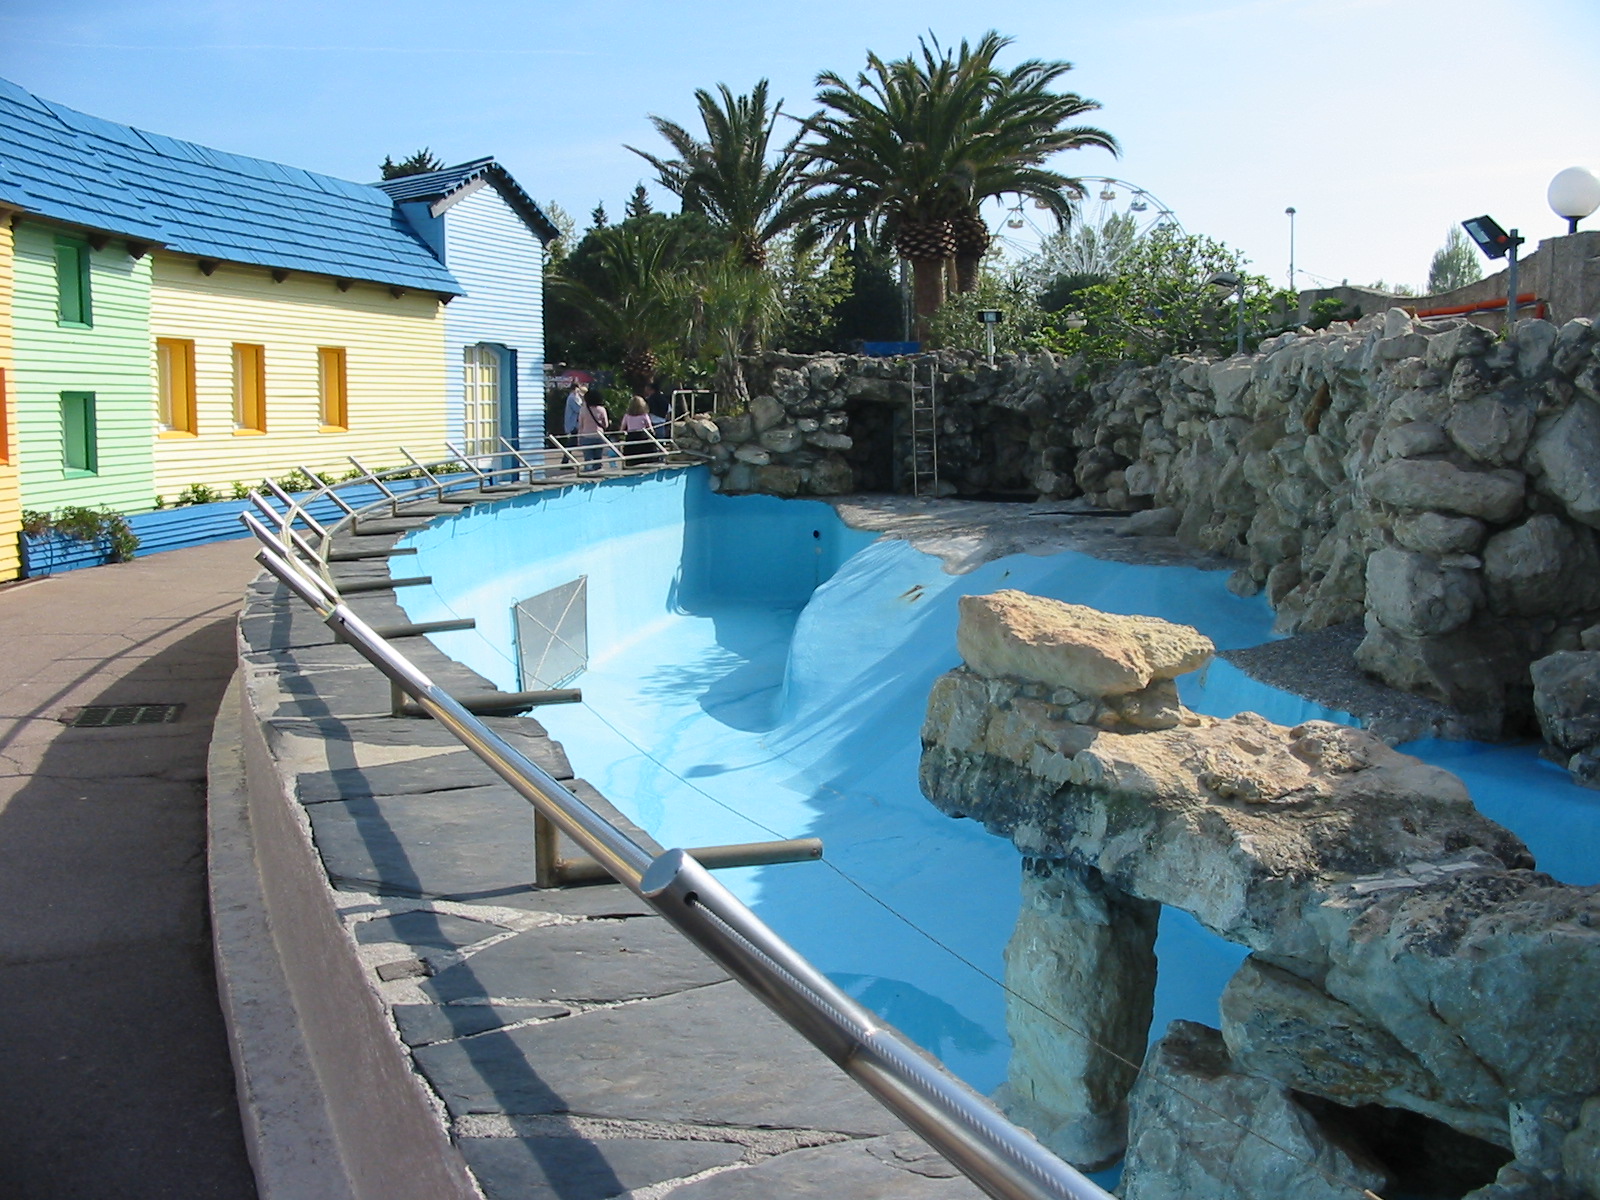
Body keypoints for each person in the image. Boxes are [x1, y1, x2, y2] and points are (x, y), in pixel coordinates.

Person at [576, 389, 610, 471]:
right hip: (599, 435)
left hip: (586, 436)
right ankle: (598, 473)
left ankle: (588, 473)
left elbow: (580, 425)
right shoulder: (601, 409)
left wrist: (578, 438)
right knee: (598, 458)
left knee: (588, 459)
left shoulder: (583, 410)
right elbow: (606, 424)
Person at [620, 395, 657, 465]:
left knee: (632, 458)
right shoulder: (644, 415)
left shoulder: (627, 416)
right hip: (642, 436)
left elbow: (622, 428)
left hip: (631, 437)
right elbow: (650, 428)